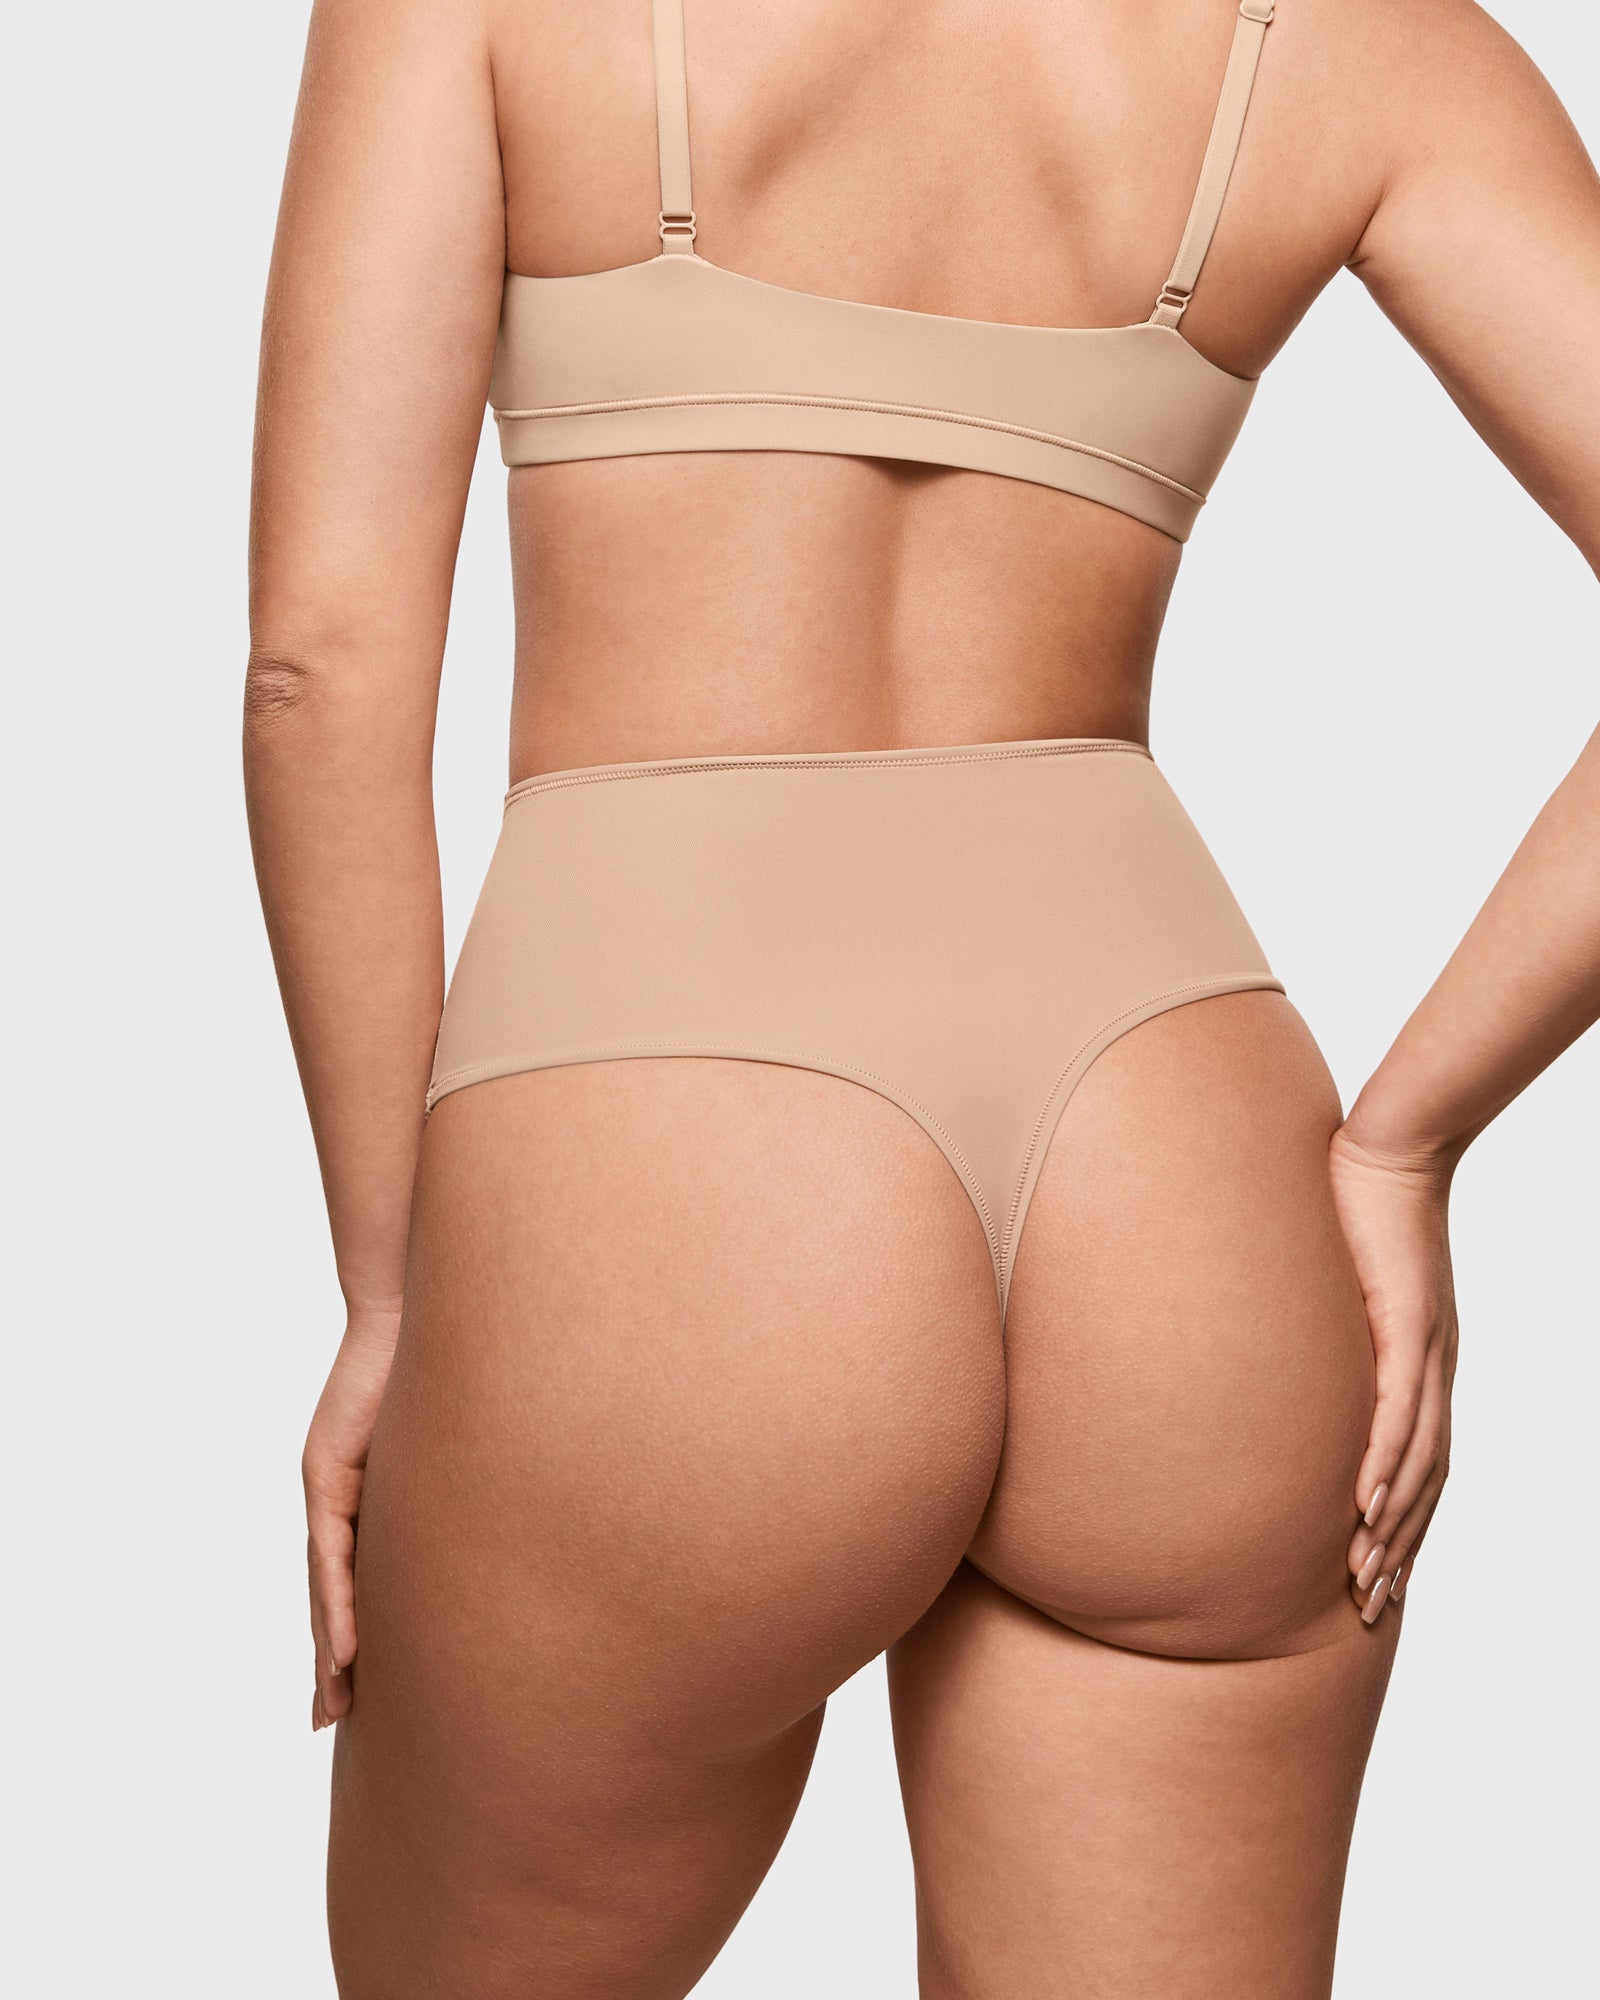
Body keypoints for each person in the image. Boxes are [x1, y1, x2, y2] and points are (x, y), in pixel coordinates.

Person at [244, 1, 1600, 1993]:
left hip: (670, 1154)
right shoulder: (1374, 46)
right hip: (1178, 1177)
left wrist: (393, 1291)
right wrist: (1403, 1142)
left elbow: (320, 672)